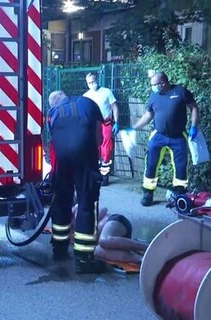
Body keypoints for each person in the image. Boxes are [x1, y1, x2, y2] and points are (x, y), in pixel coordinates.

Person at [46, 90, 106, 274]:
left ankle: (59, 250)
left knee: (61, 202)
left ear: (54, 102)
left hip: (61, 161)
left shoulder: (52, 113)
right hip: (85, 158)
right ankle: (84, 259)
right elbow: (99, 137)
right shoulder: (89, 103)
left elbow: (53, 143)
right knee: (87, 204)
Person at [132, 72, 199, 206]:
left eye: (154, 84)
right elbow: (148, 115)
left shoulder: (181, 92)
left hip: (178, 135)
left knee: (181, 166)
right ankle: (148, 193)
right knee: (151, 163)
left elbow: (194, 108)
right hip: (158, 135)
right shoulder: (154, 96)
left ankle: (179, 194)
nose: (152, 87)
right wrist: (134, 127)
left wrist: (194, 126)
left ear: (163, 83)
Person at [83, 73, 120, 186]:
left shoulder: (106, 92)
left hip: (106, 123)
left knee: (106, 150)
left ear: (97, 80)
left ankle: (105, 176)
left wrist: (117, 122)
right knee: (94, 150)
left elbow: (115, 107)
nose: (91, 84)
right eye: (89, 83)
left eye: (93, 82)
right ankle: (95, 174)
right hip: (93, 125)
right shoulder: (86, 96)